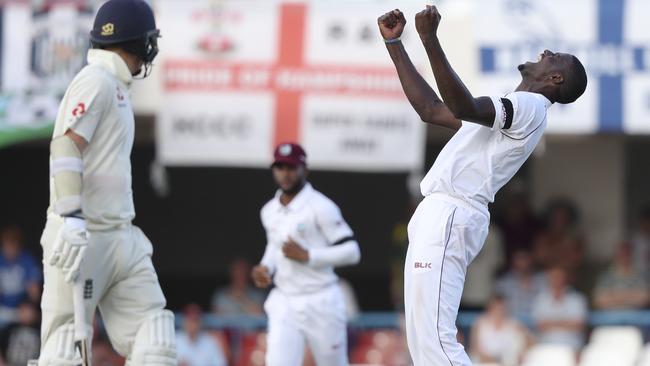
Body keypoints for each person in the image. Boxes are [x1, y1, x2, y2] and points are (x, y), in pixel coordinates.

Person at [377, 5, 587, 365]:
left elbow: (462, 105)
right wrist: (395, 44)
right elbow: (431, 109)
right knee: (423, 340)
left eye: (557, 59)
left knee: (436, 342)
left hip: (453, 211)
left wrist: (429, 39)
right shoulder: (515, 108)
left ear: (556, 81)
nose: (547, 53)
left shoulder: (531, 106)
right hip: (441, 212)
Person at [35, 1, 176, 364]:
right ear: (136, 39)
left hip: (120, 235)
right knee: (65, 348)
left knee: (155, 337)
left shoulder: (116, 86)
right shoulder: (95, 80)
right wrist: (71, 216)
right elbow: (66, 144)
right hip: (81, 236)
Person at [251, 143, 361, 366]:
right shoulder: (269, 210)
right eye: (280, 167)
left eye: (291, 167)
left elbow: (352, 252)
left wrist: (308, 256)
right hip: (285, 300)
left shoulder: (321, 206)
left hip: (321, 300)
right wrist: (265, 267)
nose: (285, 173)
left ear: (304, 170)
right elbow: (274, 247)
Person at [532, 267, 587, 352]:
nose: (556, 280)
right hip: (545, 345)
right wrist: (566, 322)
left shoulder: (577, 298)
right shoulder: (540, 299)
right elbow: (540, 325)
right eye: (554, 277)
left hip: (572, 346)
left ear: (565, 279)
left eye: (559, 277)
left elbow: (578, 325)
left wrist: (551, 322)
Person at [469, 295, 532, 366]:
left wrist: (521, 353)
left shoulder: (514, 324)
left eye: (502, 308)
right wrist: (496, 360)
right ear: (490, 308)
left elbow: (530, 340)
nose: (499, 311)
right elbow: (474, 349)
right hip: (486, 363)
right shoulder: (480, 323)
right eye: (497, 308)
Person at [0, 226, 41, 326]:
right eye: (7, 244)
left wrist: (29, 304)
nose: (10, 248)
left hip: (21, 310)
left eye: (13, 243)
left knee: (30, 314)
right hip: (3, 309)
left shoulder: (26, 260)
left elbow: (35, 292)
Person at [593, 240, 650, 310]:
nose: (624, 257)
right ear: (616, 255)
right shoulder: (606, 276)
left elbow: (645, 298)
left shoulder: (641, 275)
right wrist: (631, 296)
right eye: (621, 254)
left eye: (627, 254)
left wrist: (615, 296)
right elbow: (599, 300)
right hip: (611, 317)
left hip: (637, 317)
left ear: (632, 255)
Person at [495, 249, 547, 321]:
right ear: (513, 261)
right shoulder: (504, 283)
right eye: (518, 258)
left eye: (525, 258)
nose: (522, 262)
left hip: (539, 325)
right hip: (512, 324)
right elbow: (497, 307)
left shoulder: (542, 280)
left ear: (530, 260)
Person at [0, 302, 40, 366]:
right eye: (22, 310)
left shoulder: (39, 331)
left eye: (28, 311)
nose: (26, 314)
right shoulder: (10, 328)